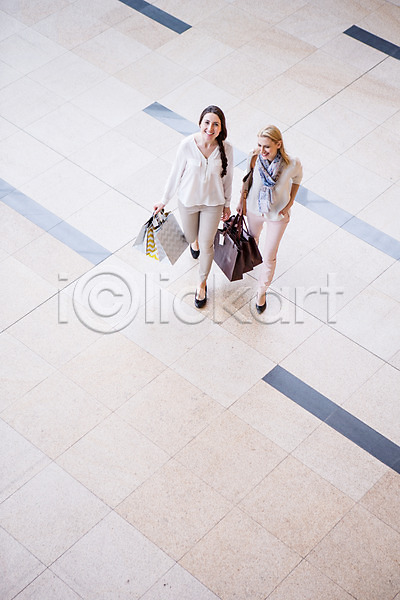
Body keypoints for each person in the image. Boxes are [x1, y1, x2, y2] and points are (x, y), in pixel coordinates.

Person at [154, 105, 233, 308]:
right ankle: (194, 243)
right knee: (191, 237)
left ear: (221, 127)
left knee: (207, 244)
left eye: (216, 124)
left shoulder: (227, 149)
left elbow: (228, 178)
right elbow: (175, 174)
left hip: (213, 204)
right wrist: (164, 200)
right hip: (188, 201)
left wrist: (227, 204)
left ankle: (201, 283)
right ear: (200, 123)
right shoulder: (187, 145)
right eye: (207, 123)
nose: (210, 128)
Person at [238, 125, 302, 314]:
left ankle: (261, 292)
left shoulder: (292, 164)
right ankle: (249, 263)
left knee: (269, 256)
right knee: (252, 241)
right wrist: (241, 201)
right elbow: (247, 180)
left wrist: (290, 202)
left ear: (278, 144)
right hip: (254, 209)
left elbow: (298, 179)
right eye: (260, 145)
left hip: (277, 215)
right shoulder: (254, 156)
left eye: (266, 146)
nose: (262, 150)